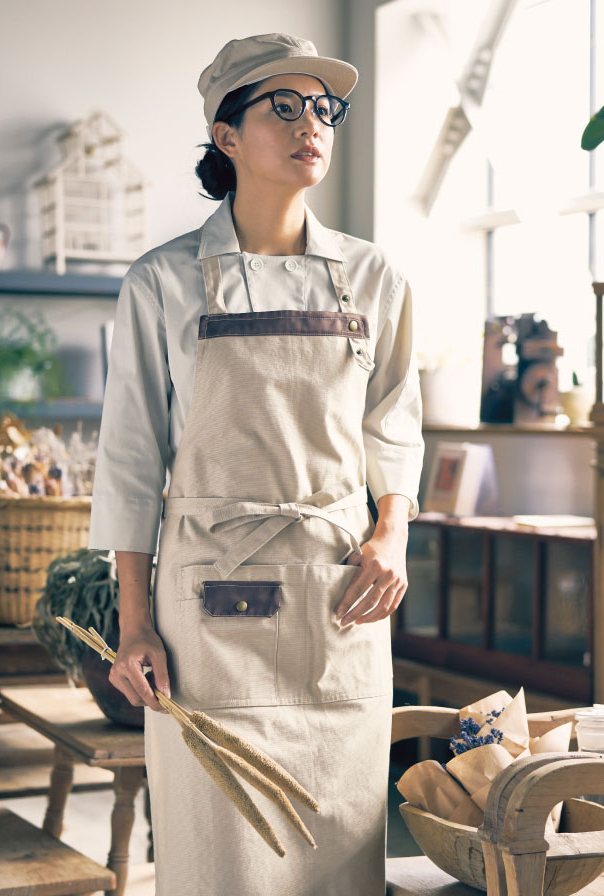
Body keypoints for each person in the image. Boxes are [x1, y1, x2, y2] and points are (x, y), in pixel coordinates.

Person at [88, 31, 425, 896]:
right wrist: (132, 624)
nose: (312, 123)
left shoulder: (373, 278)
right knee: (219, 854)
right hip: (208, 610)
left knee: (339, 842)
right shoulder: (161, 283)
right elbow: (131, 459)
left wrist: (391, 535)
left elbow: (394, 425)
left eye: (323, 107)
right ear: (227, 136)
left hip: (338, 595)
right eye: (284, 106)